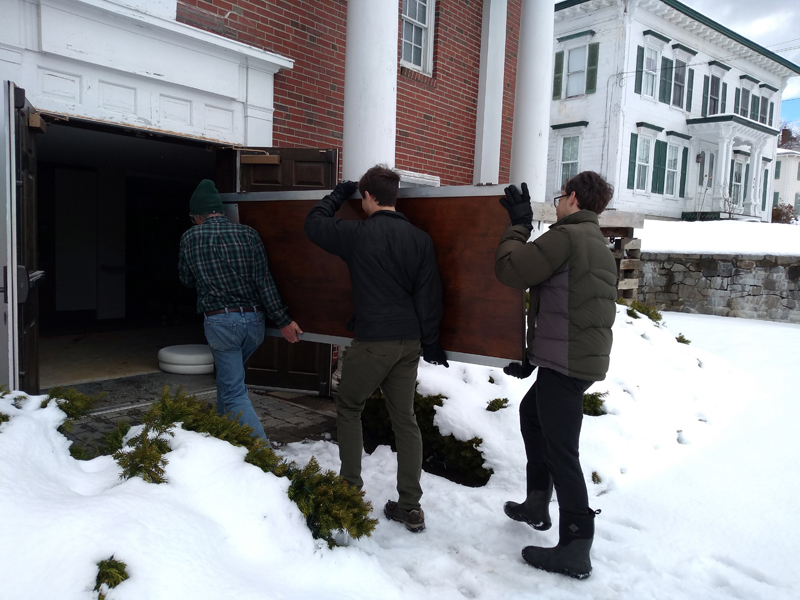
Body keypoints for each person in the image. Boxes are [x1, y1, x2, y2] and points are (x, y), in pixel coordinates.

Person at [304, 165, 448, 533]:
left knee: (350, 406)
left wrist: (338, 195)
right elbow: (429, 297)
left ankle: (350, 489)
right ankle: (410, 507)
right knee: (406, 420)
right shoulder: (421, 239)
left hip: (374, 342)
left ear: (367, 197)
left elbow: (313, 224)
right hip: (409, 343)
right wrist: (430, 343)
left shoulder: (358, 234)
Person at [494, 171, 617, 579]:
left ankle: (576, 548)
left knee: (563, 451)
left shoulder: (567, 235)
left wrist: (520, 224)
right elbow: (566, 303)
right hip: (573, 359)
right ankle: (536, 502)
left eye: (561, 196)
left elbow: (512, 269)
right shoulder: (596, 240)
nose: (558, 203)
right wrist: (533, 356)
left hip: (566, 363)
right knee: (533, 416)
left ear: (574, 198)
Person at [178, 179, 303, 445]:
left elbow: (186, 279)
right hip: (254, 323)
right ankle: (223, 438)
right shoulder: (248, 234)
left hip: (221, 323)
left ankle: (264, 457)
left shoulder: (190, 237)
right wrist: (283, 320)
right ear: (220, 211)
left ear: (198, 215)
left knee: (234, 390)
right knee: (228, 379)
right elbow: (264, 282)